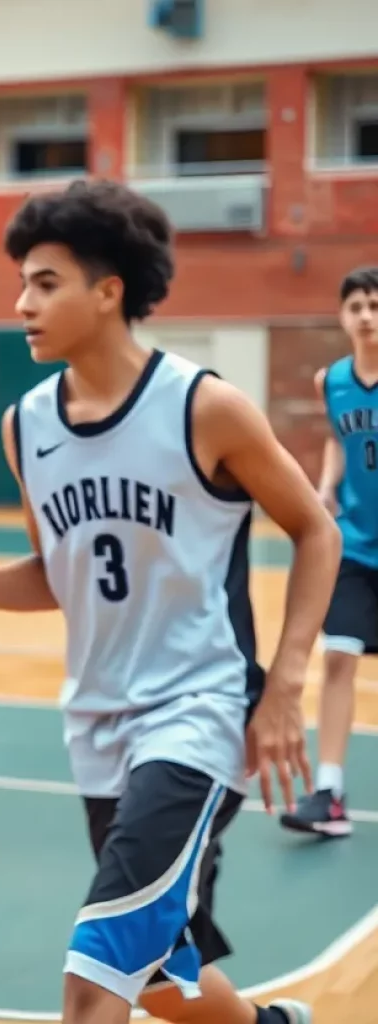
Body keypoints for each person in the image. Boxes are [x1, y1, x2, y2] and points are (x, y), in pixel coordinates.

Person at [0, 180, 337, 1024]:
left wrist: (286, 686)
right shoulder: (28, 426)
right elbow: (64, 573)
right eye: (22, 283)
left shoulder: (205, 407)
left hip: (198, 717)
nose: (21, 303)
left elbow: (316, 530)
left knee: (94, 979)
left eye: (45, 283)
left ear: (109, 290)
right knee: (159, 975)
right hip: (96, 724)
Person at [280, 266, 378, 839]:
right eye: (356, 306)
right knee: (337, 658)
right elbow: (337, 438)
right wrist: (323, 486)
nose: (366, 315)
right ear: (343, 317)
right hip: (356, 548)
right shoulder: (332, 381)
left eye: (374, 304)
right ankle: (330, 791)